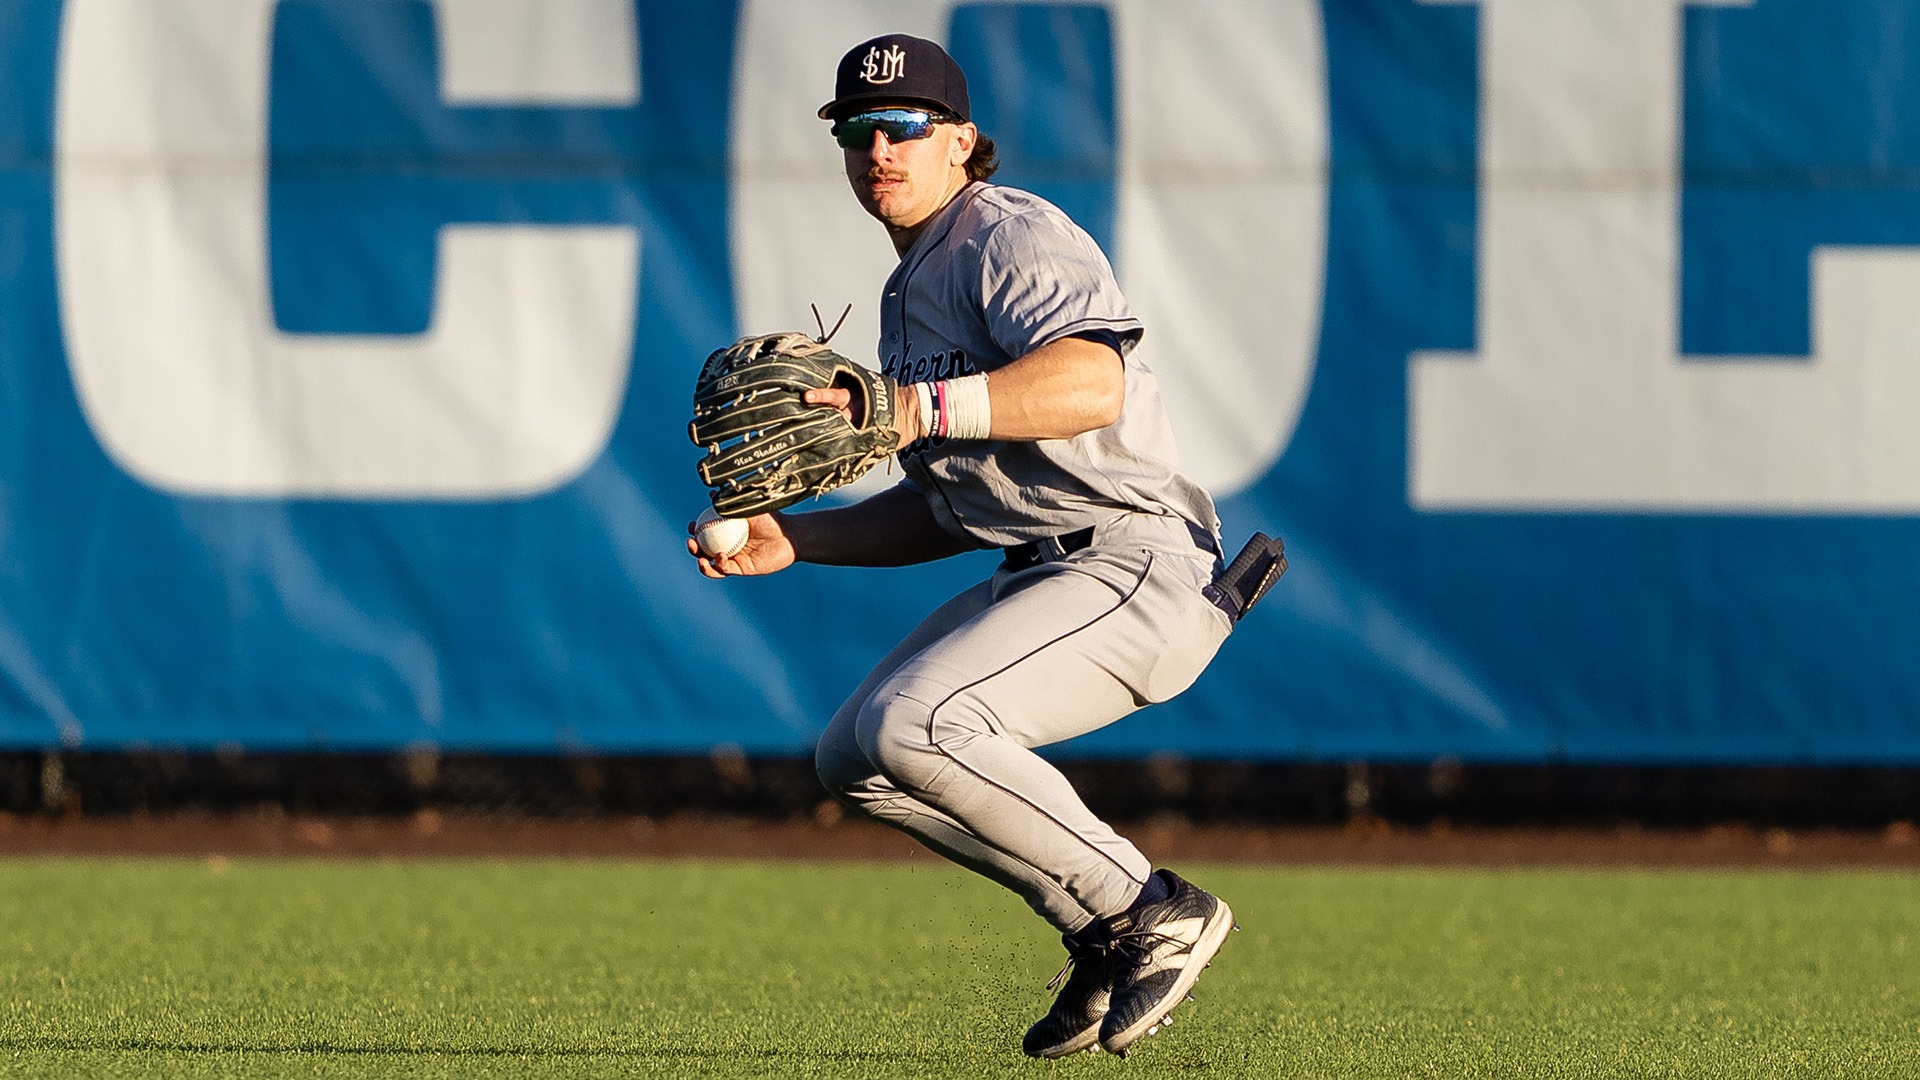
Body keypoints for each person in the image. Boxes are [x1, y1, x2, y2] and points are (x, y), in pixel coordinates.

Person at [687, 33, 1238, 1059]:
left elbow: (1091, 384)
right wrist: (798, 540)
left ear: (961, 142)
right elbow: (948, 511)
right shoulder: (912, 290)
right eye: (857, 131)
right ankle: (1101, 935)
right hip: (1044, 564)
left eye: (903, 127)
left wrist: (911, 406)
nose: (878, 150)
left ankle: (1146, 909)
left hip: (1133, 562)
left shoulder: (1006, 234)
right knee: (857, 755)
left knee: (918, 722)